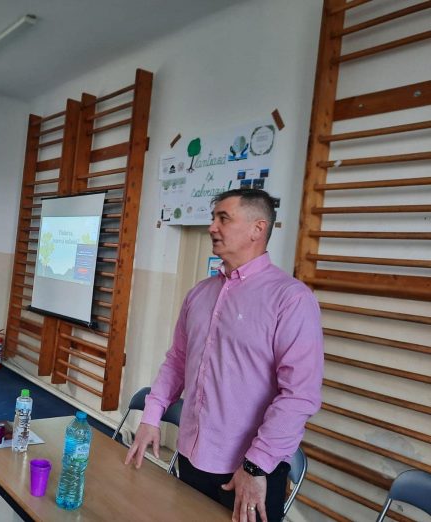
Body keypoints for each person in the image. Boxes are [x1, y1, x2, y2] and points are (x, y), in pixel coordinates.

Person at [124, 189, 323, 522]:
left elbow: (299, 395)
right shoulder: (200, 293)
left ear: (257, 229)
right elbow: (177, 361)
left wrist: (255, 465)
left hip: (250, 470)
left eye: (223, 218)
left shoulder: (291, 299)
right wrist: (150, 416)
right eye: (213, 218)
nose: (212, 227)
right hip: (191, 457)